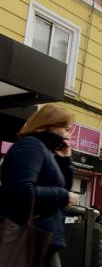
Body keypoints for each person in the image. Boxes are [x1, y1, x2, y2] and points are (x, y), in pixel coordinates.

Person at [0, 104, 79, 267]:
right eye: (65, 128)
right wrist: (63, 196)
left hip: (43, 237)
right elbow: (21, 190)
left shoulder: (45, 151)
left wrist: (65, 159)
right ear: (49, 124)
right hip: (29, 235)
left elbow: (64, 188)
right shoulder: (30, 146)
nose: (68, 134)